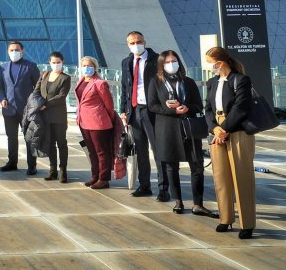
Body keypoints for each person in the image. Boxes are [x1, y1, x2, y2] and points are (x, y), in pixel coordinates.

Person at [148, 50, 217, 218]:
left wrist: (187, 108)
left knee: (197, 166)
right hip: (168, 129)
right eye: (168, 62)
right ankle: (178, 201)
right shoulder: (156, 82)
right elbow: (152, 105)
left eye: (174, 61)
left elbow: (198, 105)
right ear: (162, 65)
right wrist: (171, 110)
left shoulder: (188, 82)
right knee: (171, 167)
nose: (172, 64)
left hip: (189, 128)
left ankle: (198, 204)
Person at [205, 46, 257, 239]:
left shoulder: (240, 80)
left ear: (220, 63)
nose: (209, 66)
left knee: (241, 177)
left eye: (211, 63)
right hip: (218, 130)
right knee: (221, 177)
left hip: (237, 131)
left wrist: (224, 129)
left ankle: (247, 223)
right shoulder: (212, 82)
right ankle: (225, 218)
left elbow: (241, 108)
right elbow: (208, 109)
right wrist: (215, 129)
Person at [119, 31, 168, 200]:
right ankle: (144, 185)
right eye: (132, 43)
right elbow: (124, 87)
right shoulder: (126, 62)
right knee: (140, 151)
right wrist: (123, 110)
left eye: (139, 42)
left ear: (145, 42)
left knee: (158, 150)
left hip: (152, 110)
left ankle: (163, 188)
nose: (136, 45)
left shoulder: (157, 60)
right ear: (128, 45)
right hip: (134, 111)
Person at [0, 40, 41, 174]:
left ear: (22, 51)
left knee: (29, 137)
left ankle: (32, 165)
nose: (14, 52)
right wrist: (2, 98)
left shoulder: (31, 66)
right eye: (11, 50)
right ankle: (12, 162)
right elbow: (0, 86)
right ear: (8, 52)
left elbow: (38, 87)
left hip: (26, 109)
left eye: (17, 50)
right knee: (11, 137)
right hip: (8, 109)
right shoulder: (3, 67)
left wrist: (35, 105)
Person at [75, 56, 117, 189]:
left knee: (101, 151)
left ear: (95, 67)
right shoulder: (81, 81)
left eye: (89, 65)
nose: (87, 68)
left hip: (98, 122)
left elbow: (109, 104)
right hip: (84, 121)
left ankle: (103, 179)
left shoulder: (100, 83)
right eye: (84, 66)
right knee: (91, 151)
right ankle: (95, 176)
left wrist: (107, 119)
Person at [34, 51, 72, 182]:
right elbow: (36, 91)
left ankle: (63, 170)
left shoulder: (65, 78)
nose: (56, 65)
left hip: (58, 117)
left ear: (62, 62)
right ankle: (52, 169)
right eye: (53, 62)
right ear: (49, 63)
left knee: (61, 143)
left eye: (58, 62)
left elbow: (61, 96)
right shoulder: (44, 75)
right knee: (49, 143)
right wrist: (38, 104)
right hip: (44, 116)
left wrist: (45, 104)